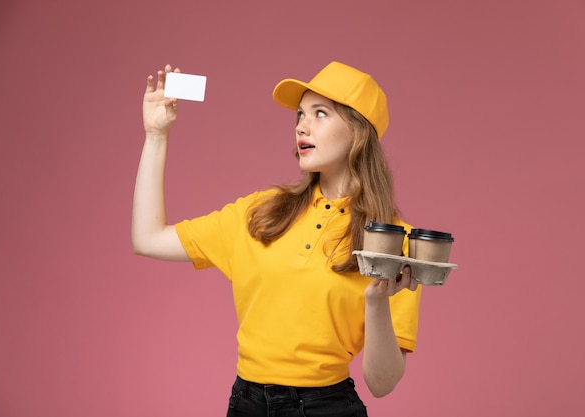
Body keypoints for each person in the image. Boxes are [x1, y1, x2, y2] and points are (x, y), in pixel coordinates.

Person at [132, 61, 422, 416]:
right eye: (300, 115)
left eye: (320, 113)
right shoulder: (261, 212)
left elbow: (382, 384)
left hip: (327, 407)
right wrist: (156, 136)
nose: (302, 125)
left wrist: (376, 302)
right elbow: (147, 238)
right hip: (247, 404)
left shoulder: (396, 242)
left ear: (359, 132)